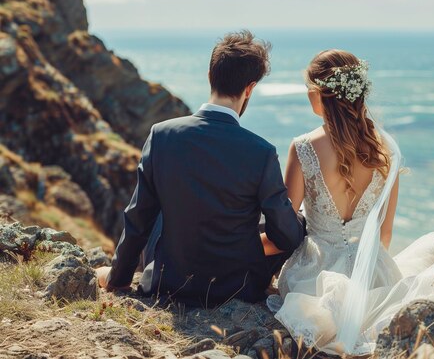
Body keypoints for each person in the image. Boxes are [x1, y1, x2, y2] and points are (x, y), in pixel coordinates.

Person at [270, 49, 434, 355]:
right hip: (375, 272)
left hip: (314, 275)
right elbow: (385, 234)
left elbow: (284, 225)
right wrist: (369, 268)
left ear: (316, 95)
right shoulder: (384, 150)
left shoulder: (303, 148)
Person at [95, 30, 305, 307]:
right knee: (287, 221)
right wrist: (299, 219)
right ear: (249, 88)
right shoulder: (261, 152)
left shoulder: (162, 135)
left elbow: (138, 218)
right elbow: (286, 236)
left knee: (158, 208)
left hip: (167, 282)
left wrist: (119, 278)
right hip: (236, 290)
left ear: (210, 76)